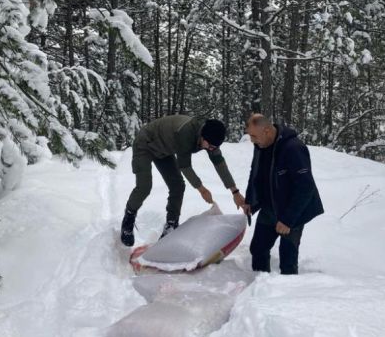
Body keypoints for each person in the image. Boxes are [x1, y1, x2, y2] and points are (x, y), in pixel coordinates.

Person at [120, 115, 245, 246]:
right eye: (211, 146)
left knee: (178, 186)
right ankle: (129, 217)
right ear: (203, 137)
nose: (211, 149)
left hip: (164, 151)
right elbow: (185, 166)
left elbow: (219, 164)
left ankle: (171, 225)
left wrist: (235, 192)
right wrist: (202, 189)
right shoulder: (186, 133)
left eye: (215, 147)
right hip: (145, 144)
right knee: (144, 186)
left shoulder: (210, 138)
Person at [243, 114, 323, 275]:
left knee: (287, 258)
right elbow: (256, 173)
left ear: (266, 130)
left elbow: (306, 187)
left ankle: (287, 289)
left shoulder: (293, 148)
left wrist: (287, 220)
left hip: (293, 210)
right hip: (269, 207)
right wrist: (250, 199)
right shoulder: (260, 145)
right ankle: (260, 284)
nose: (251, 140)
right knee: (258, 249)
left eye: (254, 136)